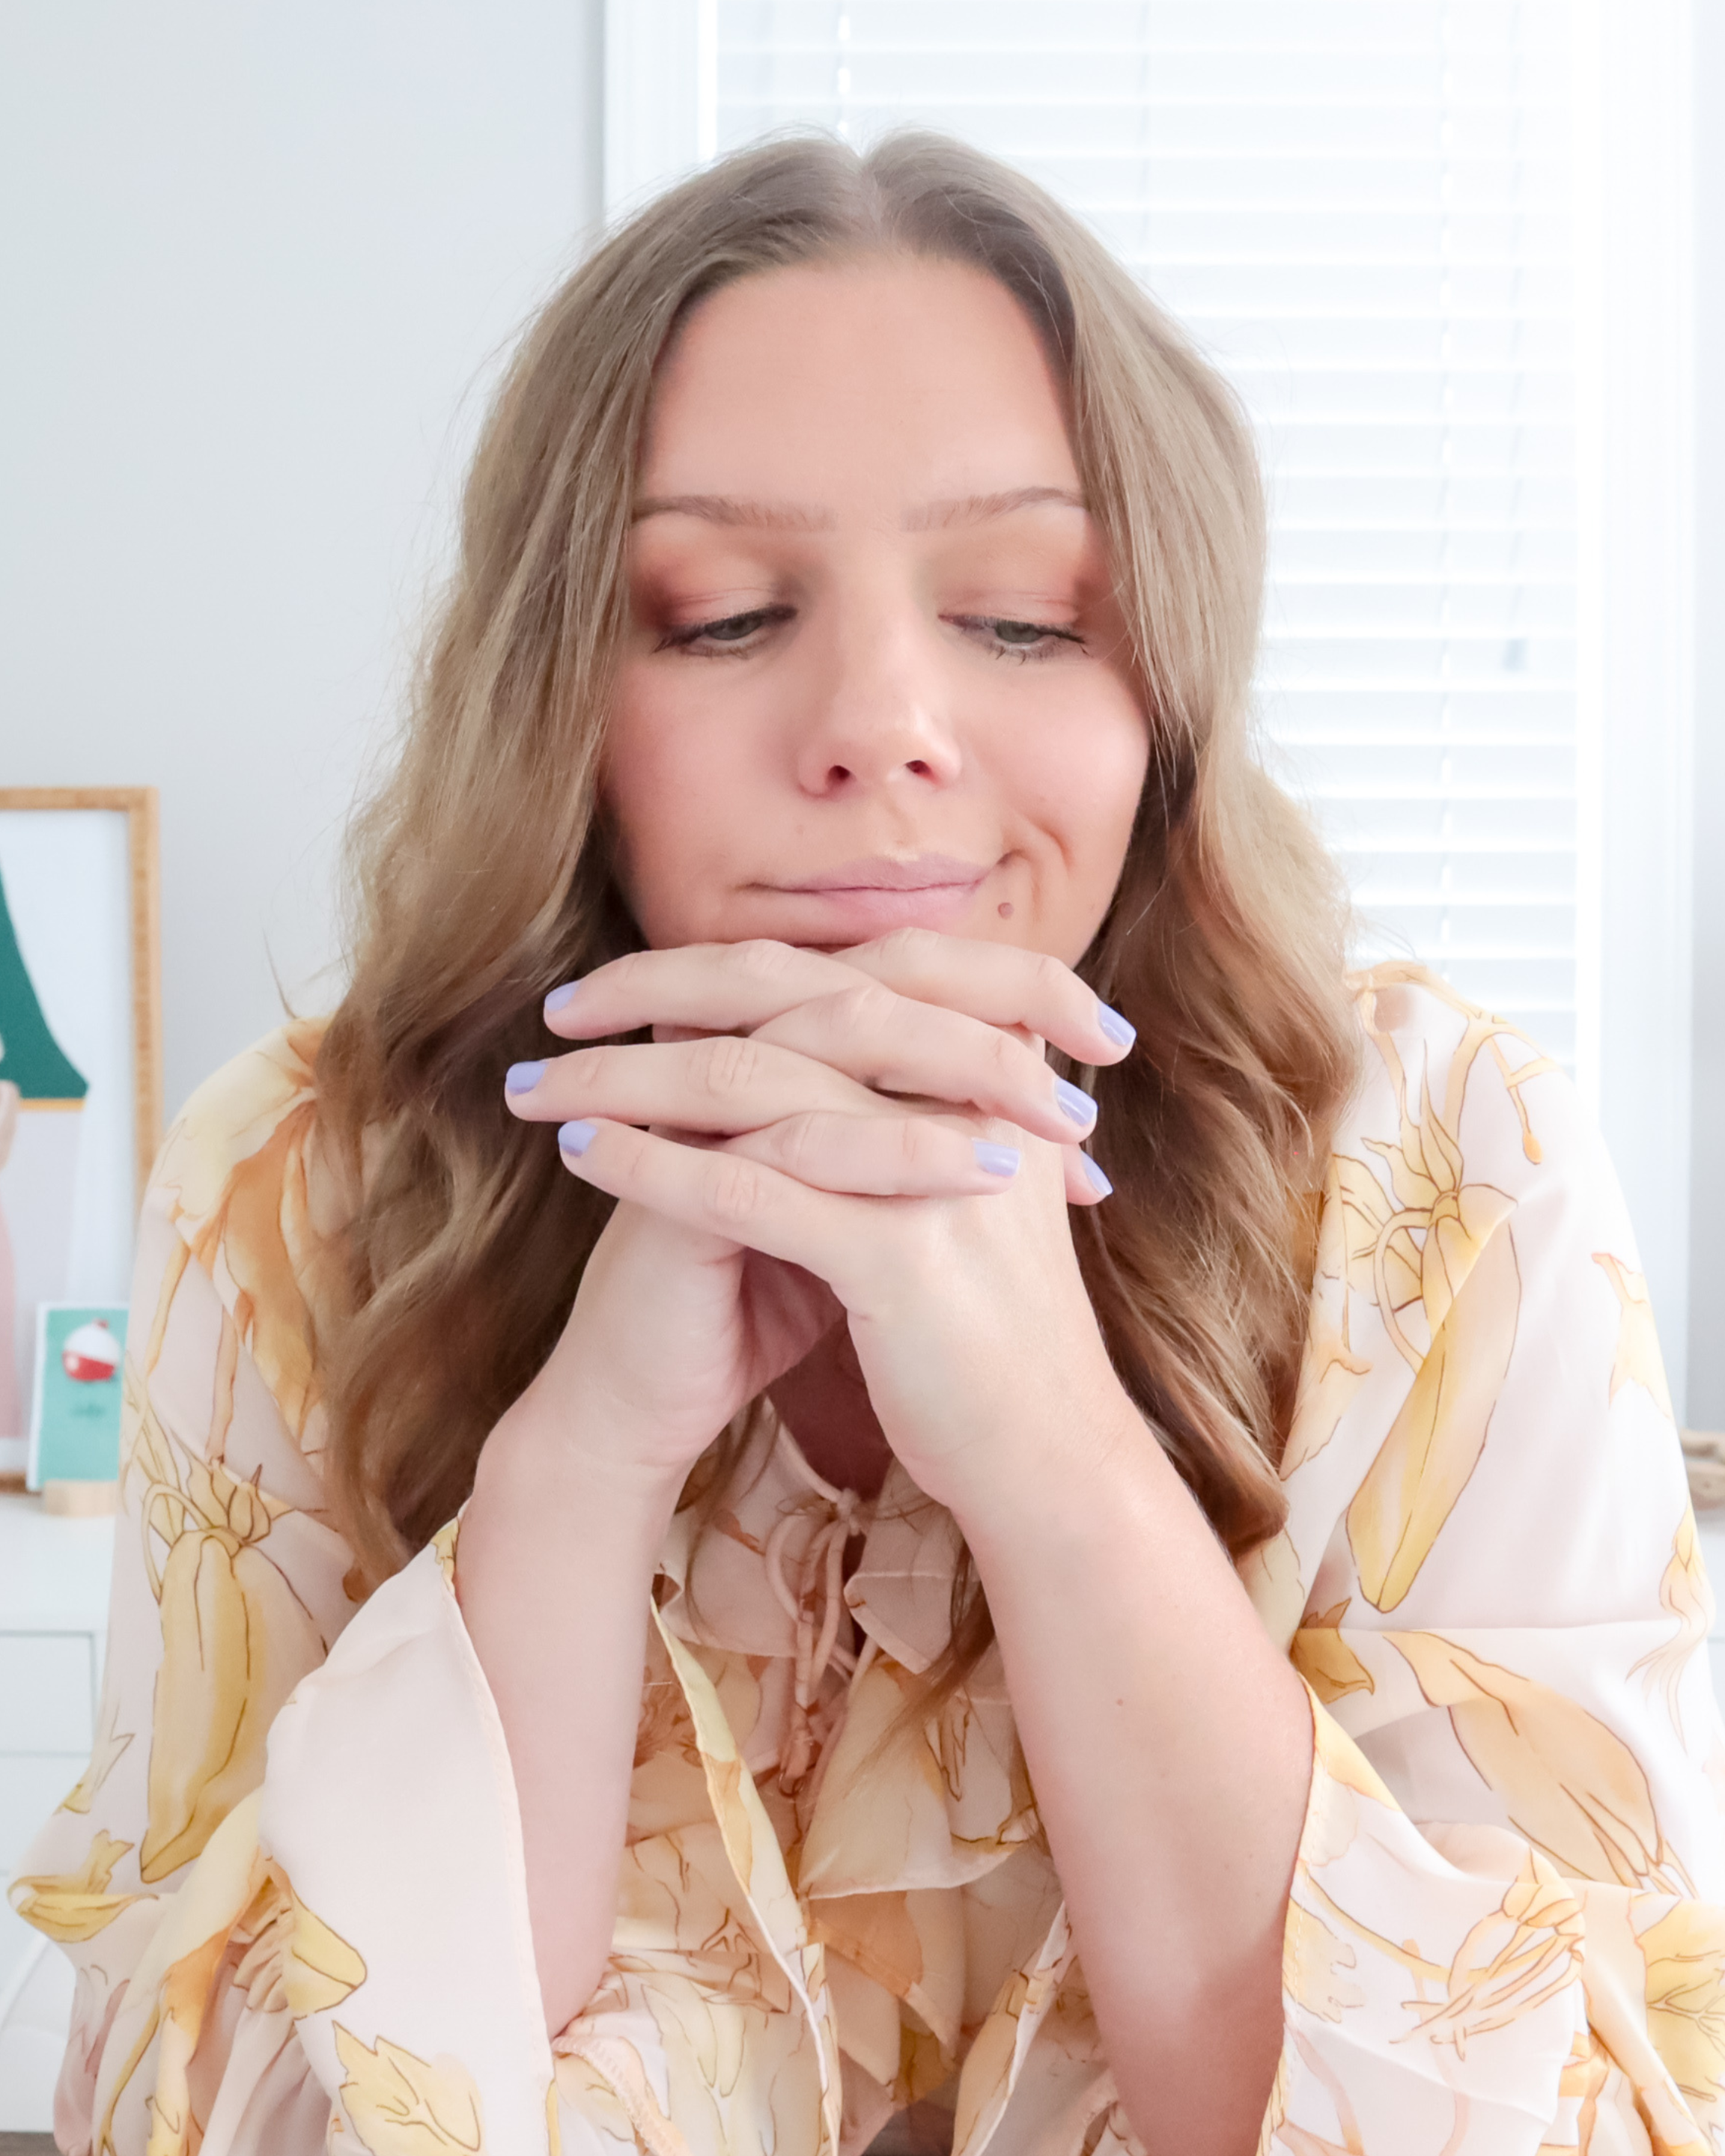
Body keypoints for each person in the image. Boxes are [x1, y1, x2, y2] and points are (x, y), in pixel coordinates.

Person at [11, 133, 1722, 2156]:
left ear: (1164, 701)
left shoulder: (1449, 1176)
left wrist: (1058, 1459)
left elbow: (1587, 2119)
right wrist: (573, 1469)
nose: (882, 722)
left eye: (1021, 619)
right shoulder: (302, 1179)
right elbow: (222, 2119)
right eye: (726, 617)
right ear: (558, 696)